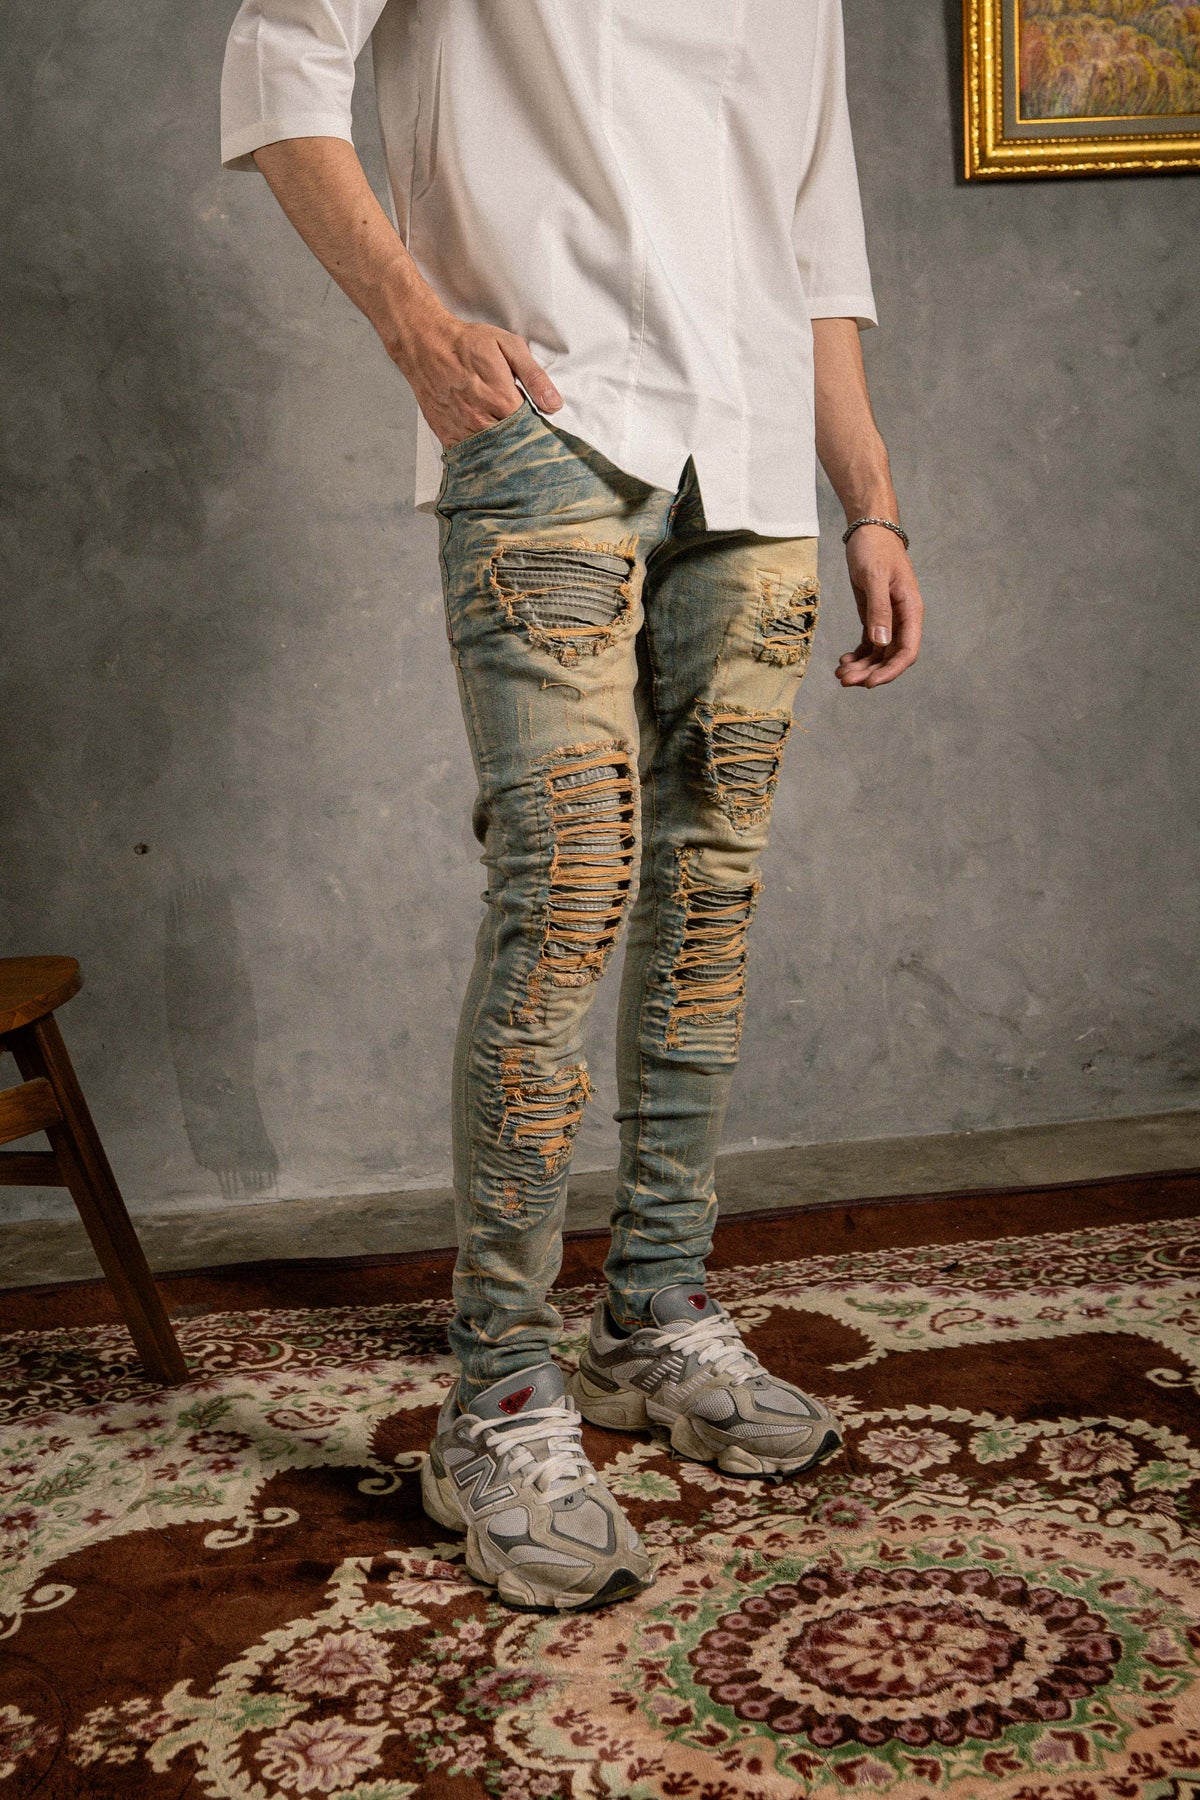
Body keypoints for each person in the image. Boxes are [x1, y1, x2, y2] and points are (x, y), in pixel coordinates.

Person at [220, 0, 924, 1616]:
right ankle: (500, 1394)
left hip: (757, 452)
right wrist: (414, 322)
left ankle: (655, 1312)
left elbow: (814, 229)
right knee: (567, 890)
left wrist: (873, 502)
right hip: (550, 420)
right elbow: (280, 55)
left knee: (711, 895)